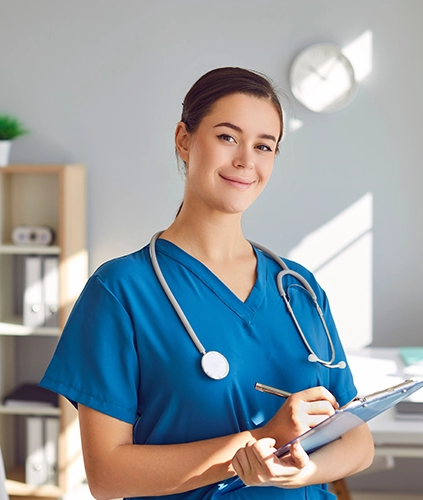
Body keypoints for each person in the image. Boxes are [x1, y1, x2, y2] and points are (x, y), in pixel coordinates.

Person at [39, 67, 374, 500]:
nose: (246, 161)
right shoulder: (121, 291)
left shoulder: (298, 287)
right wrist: (259, 440)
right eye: (227, 137)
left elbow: (358, 442)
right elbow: (106, 474)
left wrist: (299, 473)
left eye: (264, 146)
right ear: (184, 139)